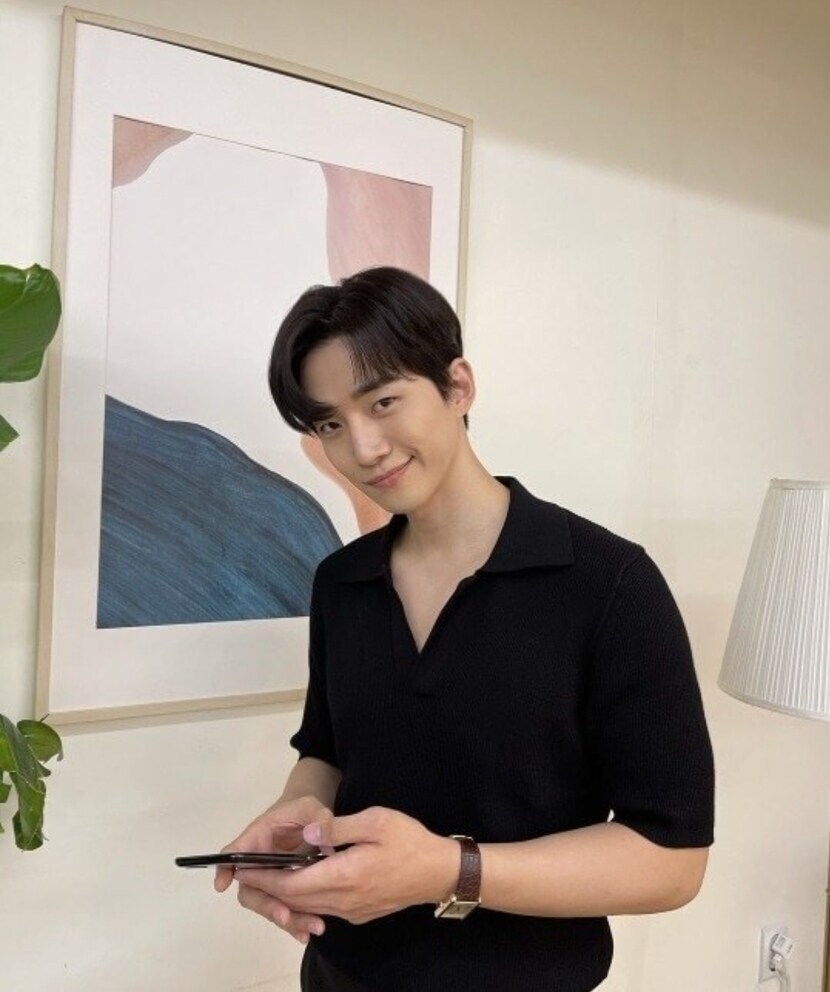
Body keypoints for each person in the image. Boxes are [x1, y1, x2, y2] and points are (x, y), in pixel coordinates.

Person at [215, 266, 715, 991]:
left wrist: (449, 870)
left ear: (458, 386)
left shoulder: (609, 584)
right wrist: (300, 816)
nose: (363, 448)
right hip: (340, 975)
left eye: (383, 402)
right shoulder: (342, 582)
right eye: (329, 424)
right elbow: (328, 750)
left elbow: (672, 860)